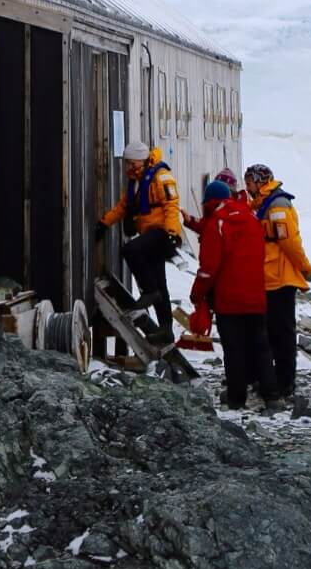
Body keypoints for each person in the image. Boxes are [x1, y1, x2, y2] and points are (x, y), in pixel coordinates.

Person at [195, 178, 281, 412]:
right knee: (261, 347)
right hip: (255, 296)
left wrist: (198, 295)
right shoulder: (251, 219)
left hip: (229, 299)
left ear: (211, 201)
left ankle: (236, 398)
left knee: (234, 350)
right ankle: (272, 395)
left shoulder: (217, 223)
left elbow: (208, 268)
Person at [245, 163, 311, 401]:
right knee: (269, 332)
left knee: (282, 333)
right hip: (269, 277)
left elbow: (289, 242)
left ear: (260, 182)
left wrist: (305, 267)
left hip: (280, 279)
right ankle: (271, 377)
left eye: (250, 182)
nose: (247, 187)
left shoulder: (277, 207)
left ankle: (286, 381)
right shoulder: (262, 204)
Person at [101, 142, 182, 343]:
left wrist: (172, 233)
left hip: (160, 231)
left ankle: (148, 291)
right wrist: (104, 223)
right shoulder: (136, 180)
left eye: (131, 162)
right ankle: (166, 329)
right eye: (127, 162)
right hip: (147, 230)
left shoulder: (160, 176)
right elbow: (123, 207)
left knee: (130, 250)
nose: (128, 166)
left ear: (142, 158)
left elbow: (171, 206)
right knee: (160, 282)